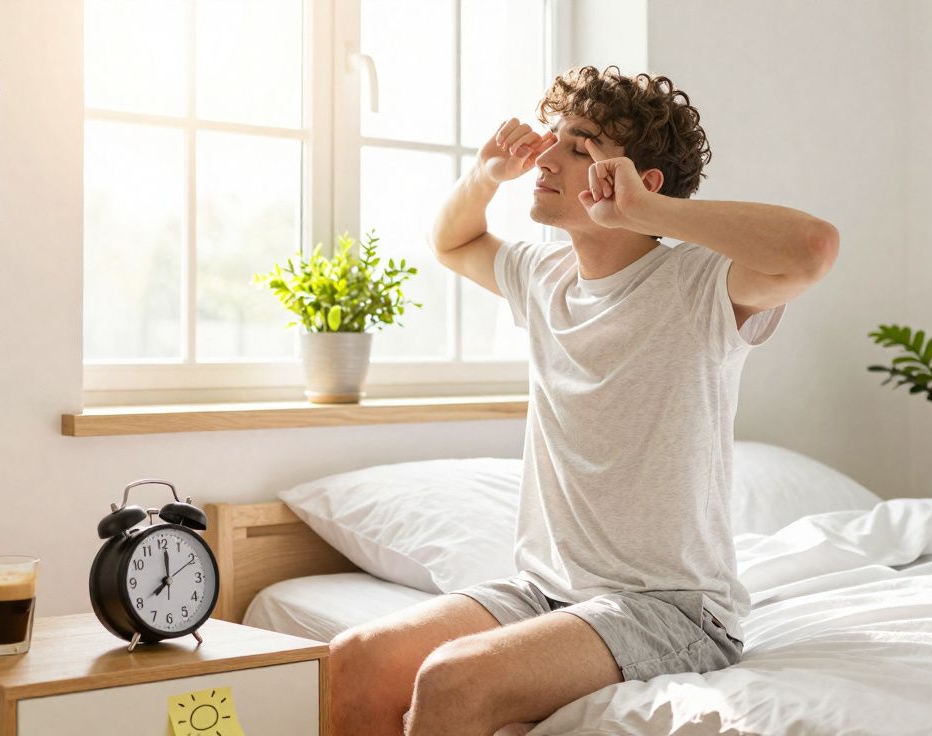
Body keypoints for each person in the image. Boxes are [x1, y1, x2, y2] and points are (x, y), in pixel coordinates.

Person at [328, 65, 839, 736]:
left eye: (580, 147)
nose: (547, 156)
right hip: (544, 594)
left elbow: (813, 248)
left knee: (452, 678)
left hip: (670, 609)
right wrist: (485, 175)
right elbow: (451, 242)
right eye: (555, 138)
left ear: (640, 183)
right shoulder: (544, 277)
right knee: (353, 660)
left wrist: (651, 215)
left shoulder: (699, 285)